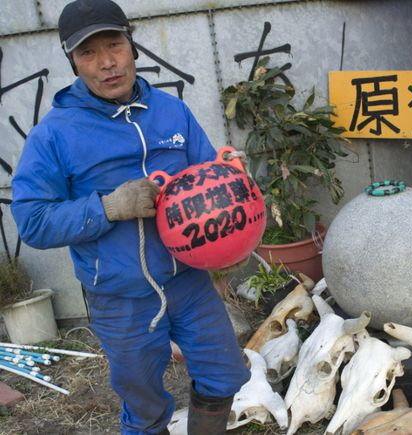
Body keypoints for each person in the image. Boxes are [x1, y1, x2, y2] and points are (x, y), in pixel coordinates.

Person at [10, 1, 250, 434]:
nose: (106, 63)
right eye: (88, 53)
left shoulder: (171, 111)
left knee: (225, 374)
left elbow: (206, 175)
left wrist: (229, 181)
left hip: (189, 284)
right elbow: (32, 221)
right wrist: (106, 208)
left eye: (115, 45)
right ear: (73, 62)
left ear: (132, 45)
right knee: (144, 406)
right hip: (120, 298)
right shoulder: (55, 135)